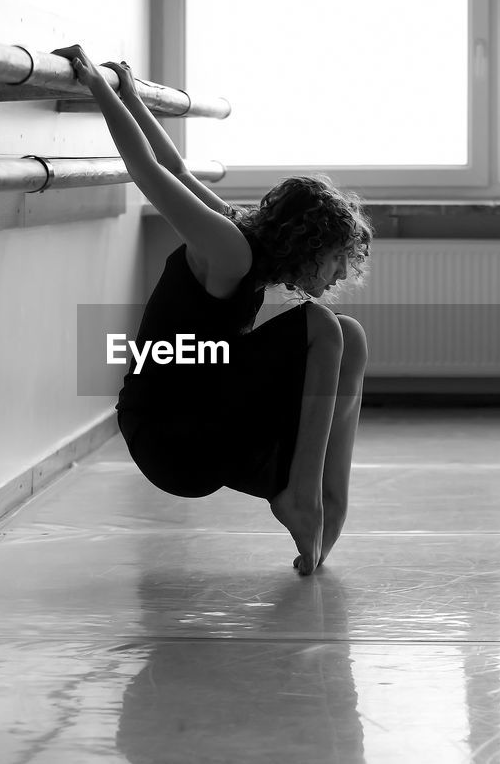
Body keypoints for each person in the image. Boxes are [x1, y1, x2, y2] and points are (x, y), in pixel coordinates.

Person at [53, 45, 371, 576]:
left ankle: (326, 498)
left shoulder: (244, 240)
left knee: (350, 335)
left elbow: (174, 165)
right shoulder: (230, 249)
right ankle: (300, 494)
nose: (341, 275)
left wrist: (134, 96)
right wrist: (98, 85)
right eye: (338, 260)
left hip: (204, 411)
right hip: (169, 434)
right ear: (307, 244)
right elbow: (149, 173)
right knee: (322, 326)